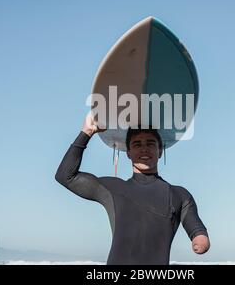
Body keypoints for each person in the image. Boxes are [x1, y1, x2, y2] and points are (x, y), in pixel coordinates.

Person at [55, 113, 210, 265]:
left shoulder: (179, 195)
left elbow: (196, 228)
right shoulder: (113, 188)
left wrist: (199, 238)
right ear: (128, 152)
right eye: (137, 144)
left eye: (150, 143)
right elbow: (65, 176)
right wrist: (86, 132)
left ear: (160, 150)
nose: (144, 149)